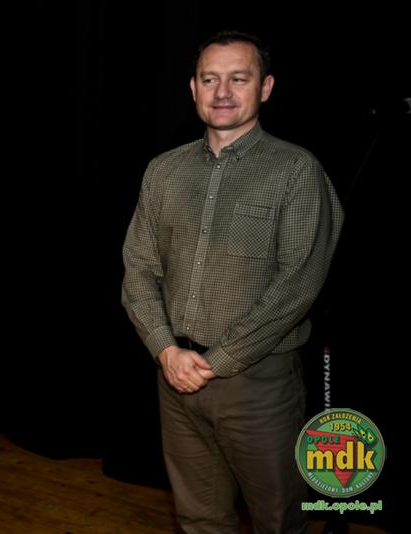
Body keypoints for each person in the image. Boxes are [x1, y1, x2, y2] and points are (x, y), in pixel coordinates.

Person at [122, 31, 344, 533]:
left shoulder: (296, 171)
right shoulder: (163, 171)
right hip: (175, 377)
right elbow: (138, 268)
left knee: (278, 521)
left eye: (238, 79)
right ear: (193, 89)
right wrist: (166, 350)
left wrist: (218, 361)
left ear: (265, 87)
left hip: (258, 384)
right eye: (210, 79)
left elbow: (298, 284)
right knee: (199, 519)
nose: (222, 91)